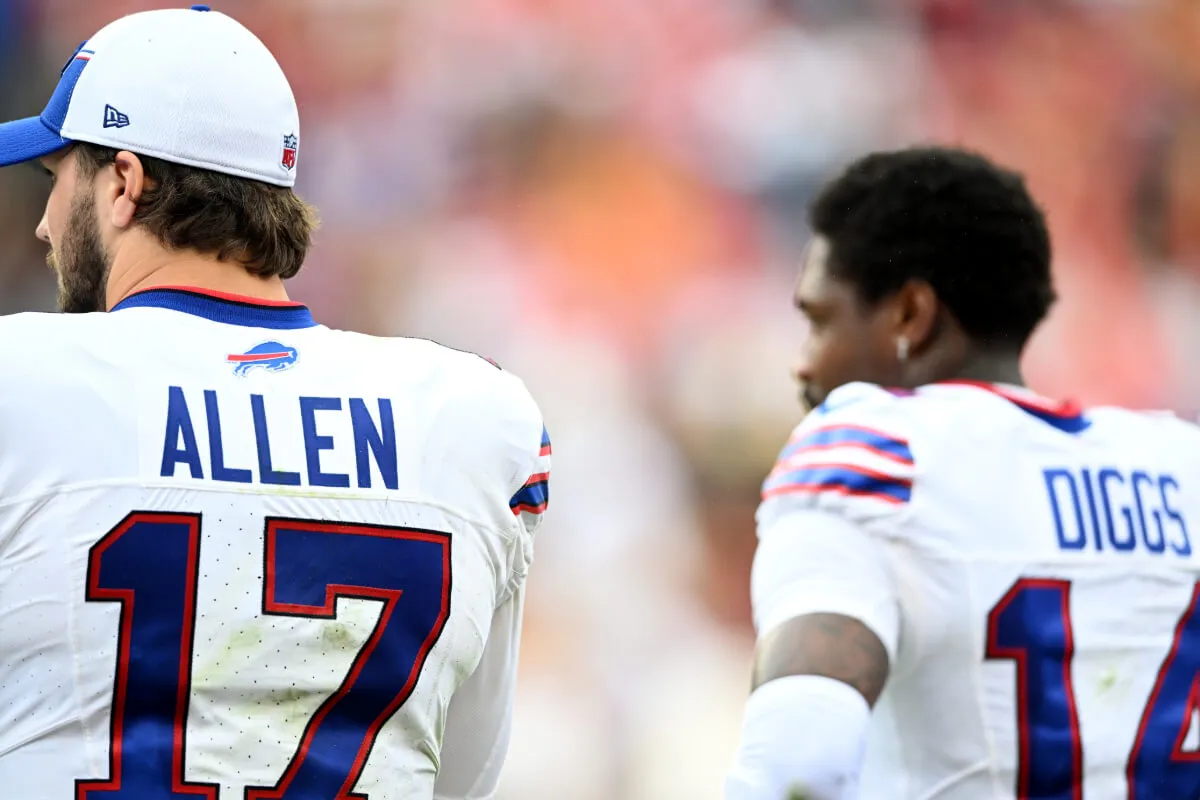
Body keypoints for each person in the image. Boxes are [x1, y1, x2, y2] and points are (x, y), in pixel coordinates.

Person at [0, 7, 550, 799]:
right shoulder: (468, 415)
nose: (44, 225)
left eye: (57, 179)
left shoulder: (24, 382)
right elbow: (457, 771)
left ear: (123, 183)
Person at [724, 147, 1200, 799]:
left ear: (910, 317)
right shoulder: (1181, 466)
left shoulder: (877, 455)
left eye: (820, 320)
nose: (802, 364)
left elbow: (800, 768)